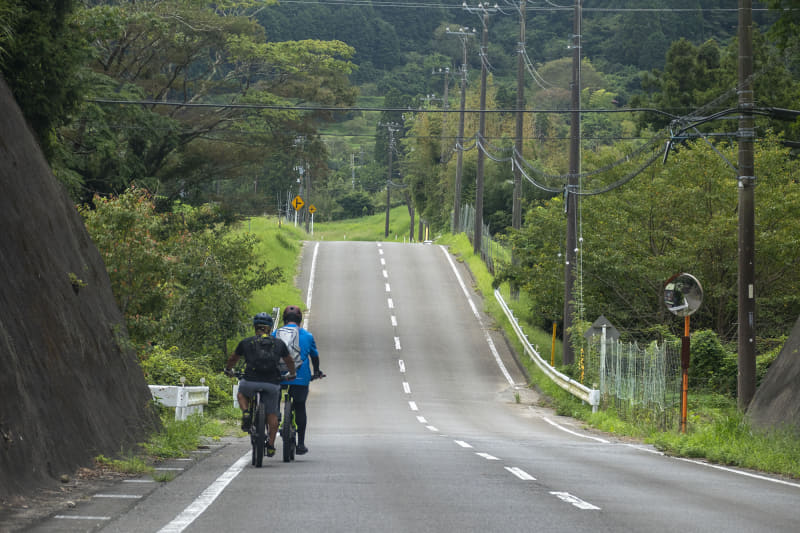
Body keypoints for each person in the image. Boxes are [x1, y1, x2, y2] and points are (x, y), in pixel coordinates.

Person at [225, 312, 295, 458]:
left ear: (255, 327)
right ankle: (270, 445)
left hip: (250, 381)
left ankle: (245, 412)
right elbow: (289, 361)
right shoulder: (278, 343)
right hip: (272, 383)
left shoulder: (246, 342)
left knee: (241, 394)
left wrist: (228, 370)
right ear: (270, 328)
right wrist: (292, 373)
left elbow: (233, 358)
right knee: (272, 414)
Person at [276, 305, 323, 455]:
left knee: (274, 397)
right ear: (300, 320)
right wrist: (316, 372)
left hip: (279, 375)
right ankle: (301, 444)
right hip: (301, 377)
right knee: (300, 406)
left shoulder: (275, 333)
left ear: (284, 320)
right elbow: (314, 357)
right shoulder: (308, 336)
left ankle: (276, 415)